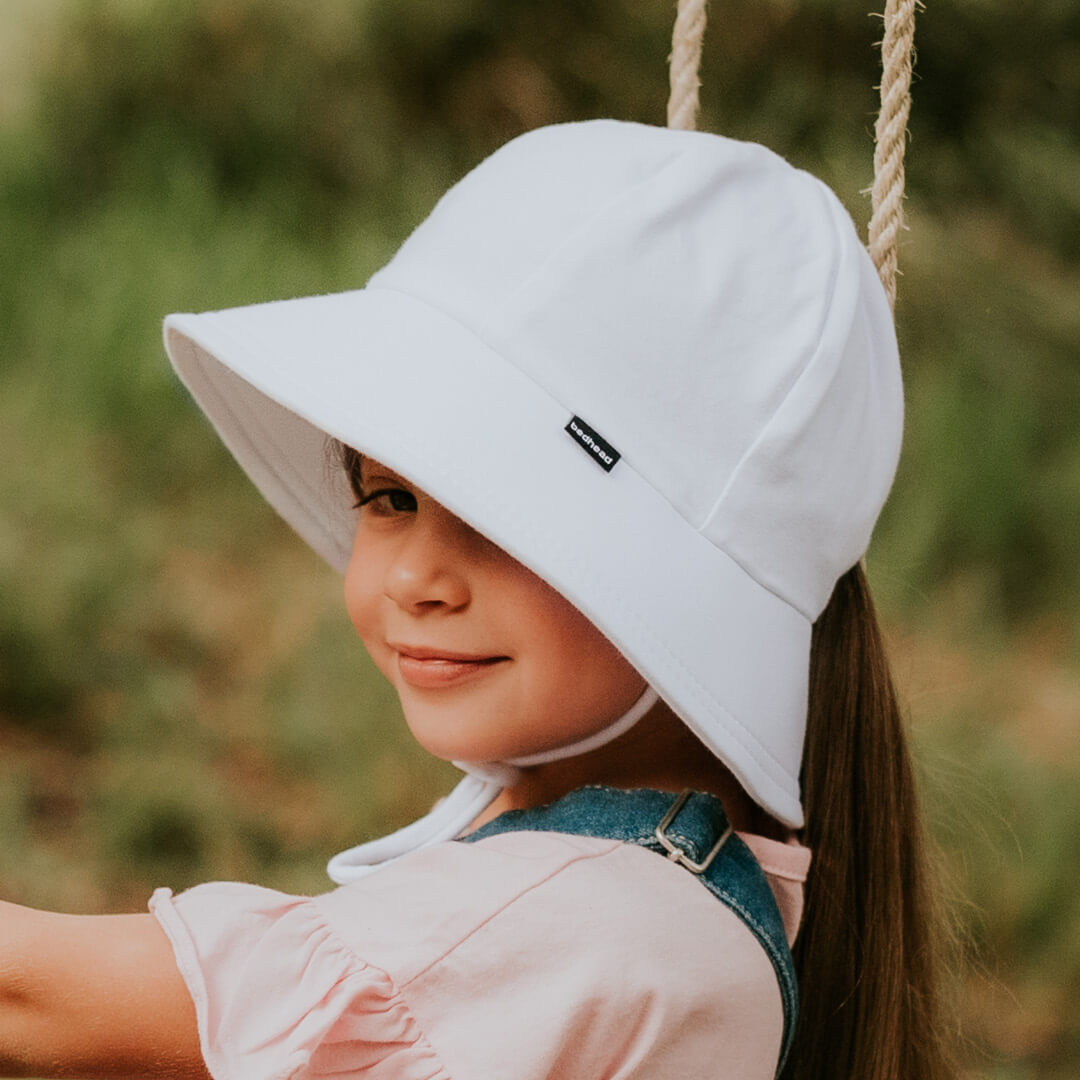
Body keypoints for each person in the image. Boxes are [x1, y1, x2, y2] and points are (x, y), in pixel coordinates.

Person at [0, 119, 956, 1080]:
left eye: (508, 523)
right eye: (389, 497)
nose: (414, 579)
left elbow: (29, 996)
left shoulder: (599, 926)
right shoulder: (645, 888)